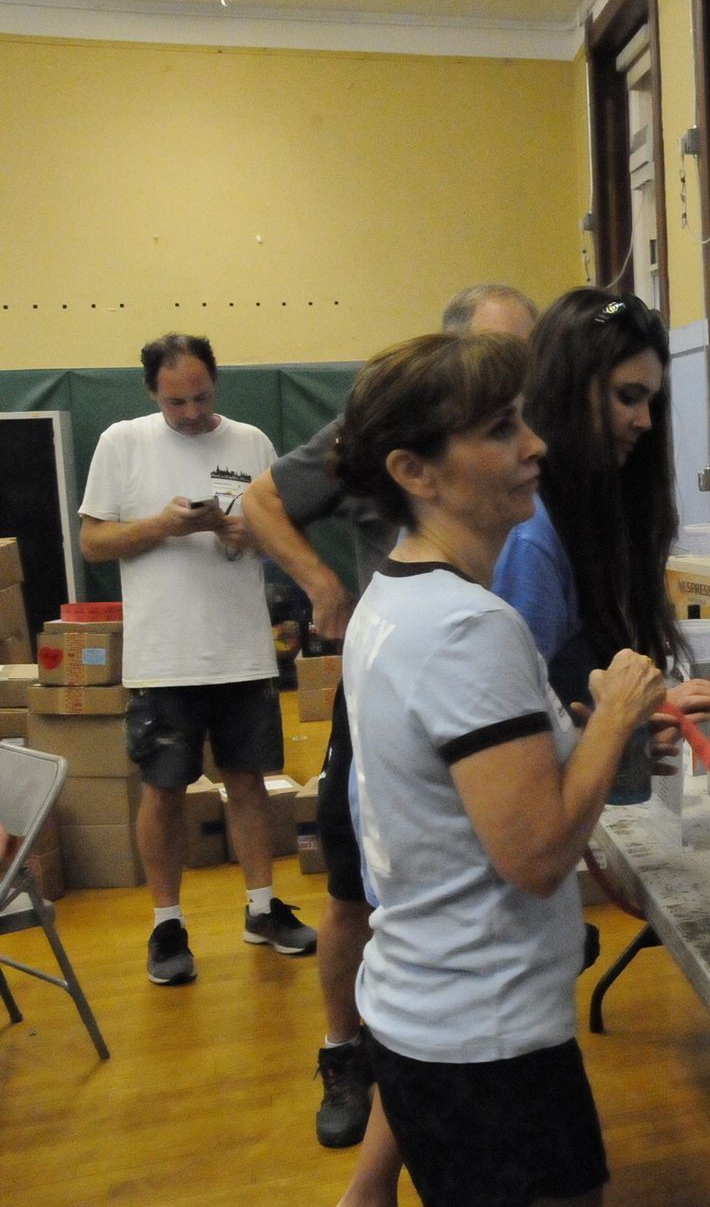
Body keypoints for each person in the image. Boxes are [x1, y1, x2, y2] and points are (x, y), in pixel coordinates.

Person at [331, 330, 665, 1207]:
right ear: (416, 470)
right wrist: (618, 715)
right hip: (486, 1038)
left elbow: (465, 784)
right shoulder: (468, 628)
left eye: (524, 421)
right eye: (500, 430)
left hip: (425, 1012)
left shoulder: (397, 598)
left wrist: (580, 731)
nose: (535, 447)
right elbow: (536, 854)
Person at [242, 283, 536, 1159]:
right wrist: (323, 585)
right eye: (493, 375)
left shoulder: (529, 447)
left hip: (492, 685)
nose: (519, 412)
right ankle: (345, 1053)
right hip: (403, 690)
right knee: (359, 891)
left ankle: (389, 1146)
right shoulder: (377, 439)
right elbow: (261, 501)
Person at [78, 333, 317, 986]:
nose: (190, 412)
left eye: (202, 396)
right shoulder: (122, 443)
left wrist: (248, 532)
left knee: (248, 783)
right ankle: (166, 924)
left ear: (218, 382)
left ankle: (263, 908)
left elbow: (280, 536)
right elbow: (94, 542)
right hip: (163, 658)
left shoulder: (252, 443)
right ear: (151, 392)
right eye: (176, 400)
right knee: (162, 791)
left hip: (242, 652)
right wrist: (162, 525)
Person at [492, 287, 710, 766]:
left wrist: (634, 726)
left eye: (651, 403)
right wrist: (622, 731)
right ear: (567, 393)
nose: (644, 422)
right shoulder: (532, 536)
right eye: (627, 397)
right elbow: (510, 737)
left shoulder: (594, 510)